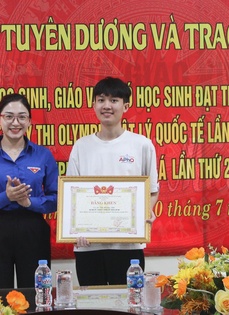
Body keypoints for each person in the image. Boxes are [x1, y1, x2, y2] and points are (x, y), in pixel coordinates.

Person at [66, 77, 159, 286]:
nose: (107, 106)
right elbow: (71, 195)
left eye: (114, 100)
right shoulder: (81, 146)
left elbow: (152, 191)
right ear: (94, 104)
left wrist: (146, 213)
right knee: (92, 305)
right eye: (101, 99)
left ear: (126, 106)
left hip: (128, 246)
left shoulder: (142, 145)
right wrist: (75, 230)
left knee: (129, 303)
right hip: (89, 245)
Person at [0, 93, 58, 289]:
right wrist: (5, 197)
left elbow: (56, 198)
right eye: (9, 116)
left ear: (30, 121)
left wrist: (29, 203)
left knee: (35, 294)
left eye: (22, 117)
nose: (15, 122)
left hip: (33, 228)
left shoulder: (43, 155)